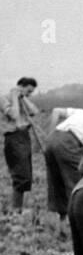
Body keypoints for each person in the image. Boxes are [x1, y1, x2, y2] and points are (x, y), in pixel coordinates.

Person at [2, 77, 40, 210]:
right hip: (13, 138)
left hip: (24, 137)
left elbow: (35, 111)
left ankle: (18, 208)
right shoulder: (5, 99)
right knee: (20, 175)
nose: (29, 94)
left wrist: (24, 98)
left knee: (26, 176)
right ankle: (15, 210)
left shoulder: (23, 99)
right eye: (28, 91)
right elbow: (14, 115)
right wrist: (14, 97)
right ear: (20, 87)